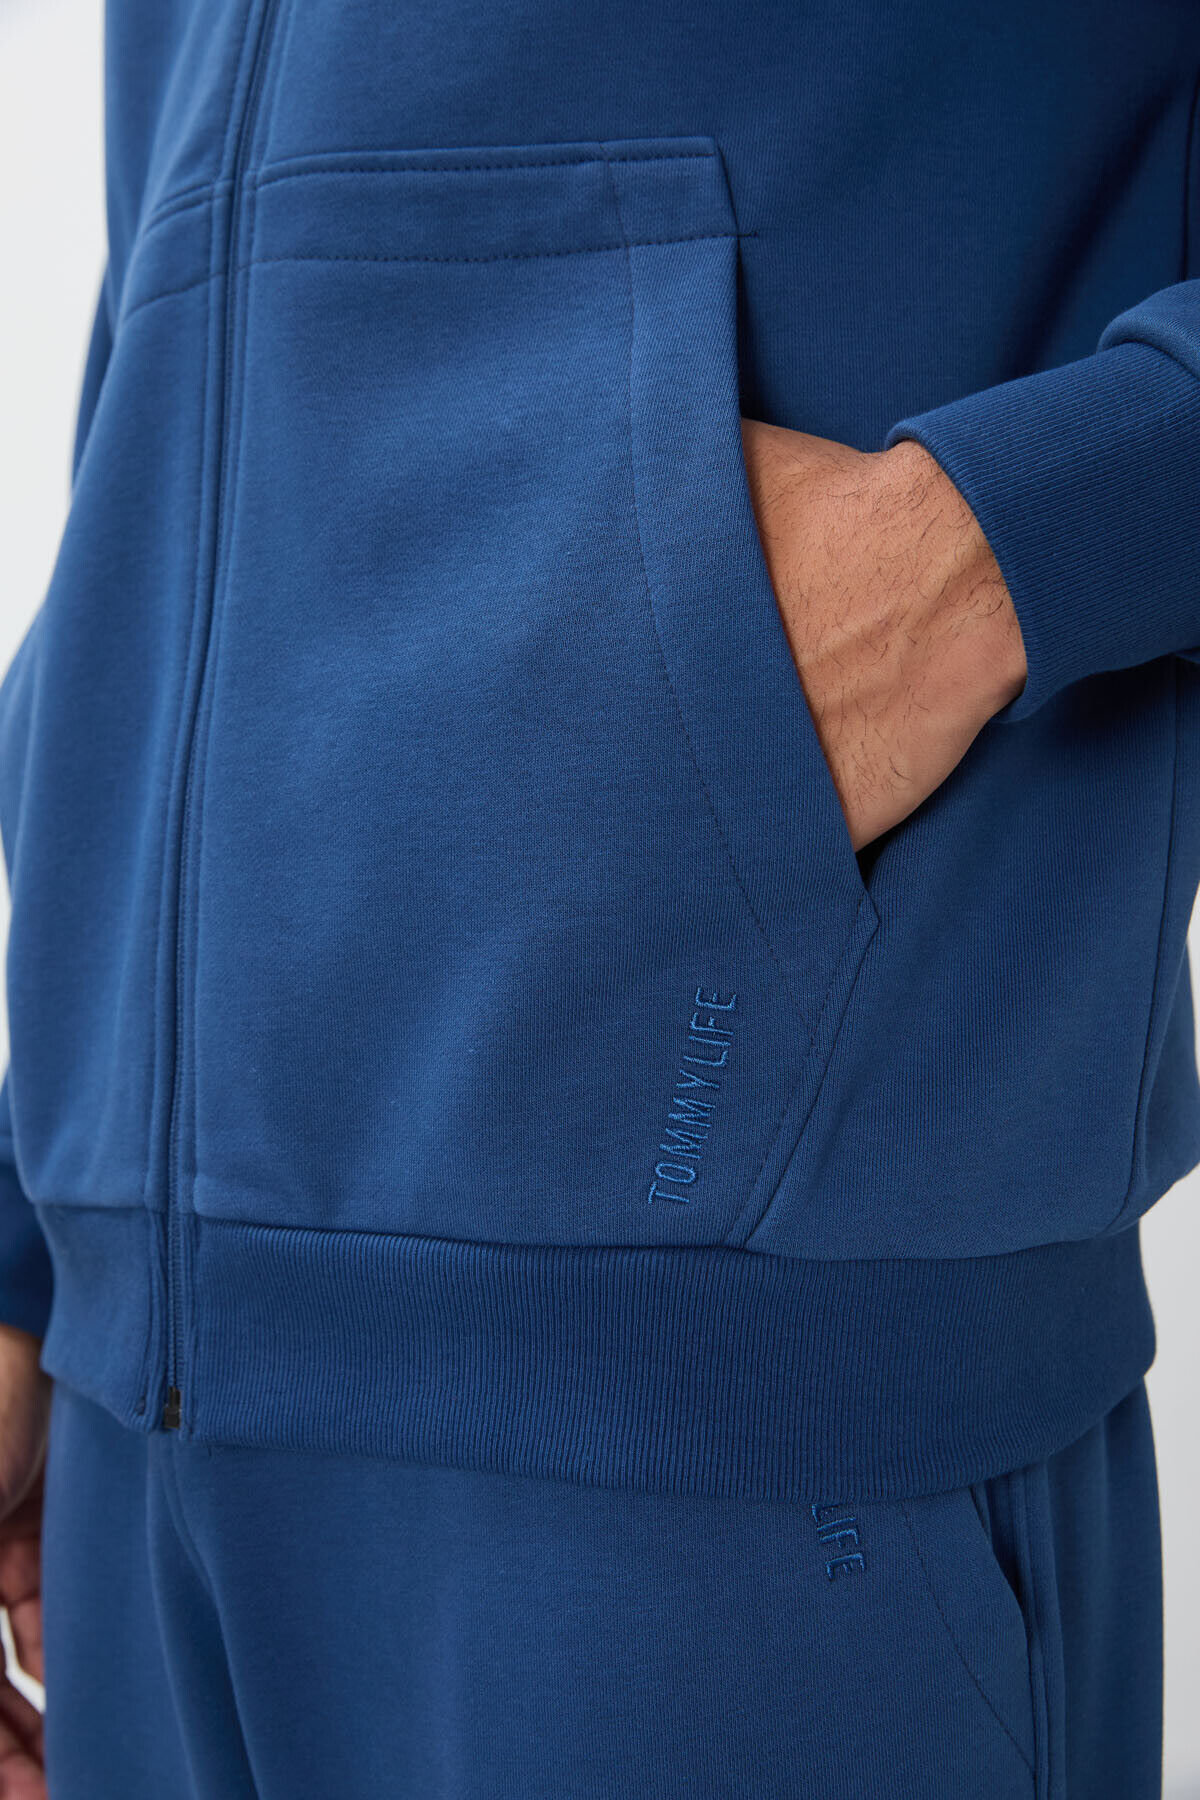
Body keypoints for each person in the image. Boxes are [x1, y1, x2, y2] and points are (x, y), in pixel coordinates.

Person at [0, 2, 1197, 1794]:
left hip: (726, 1423)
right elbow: (194, 344)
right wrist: (37, 1235)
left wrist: (983, 555)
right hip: (128, 1440)